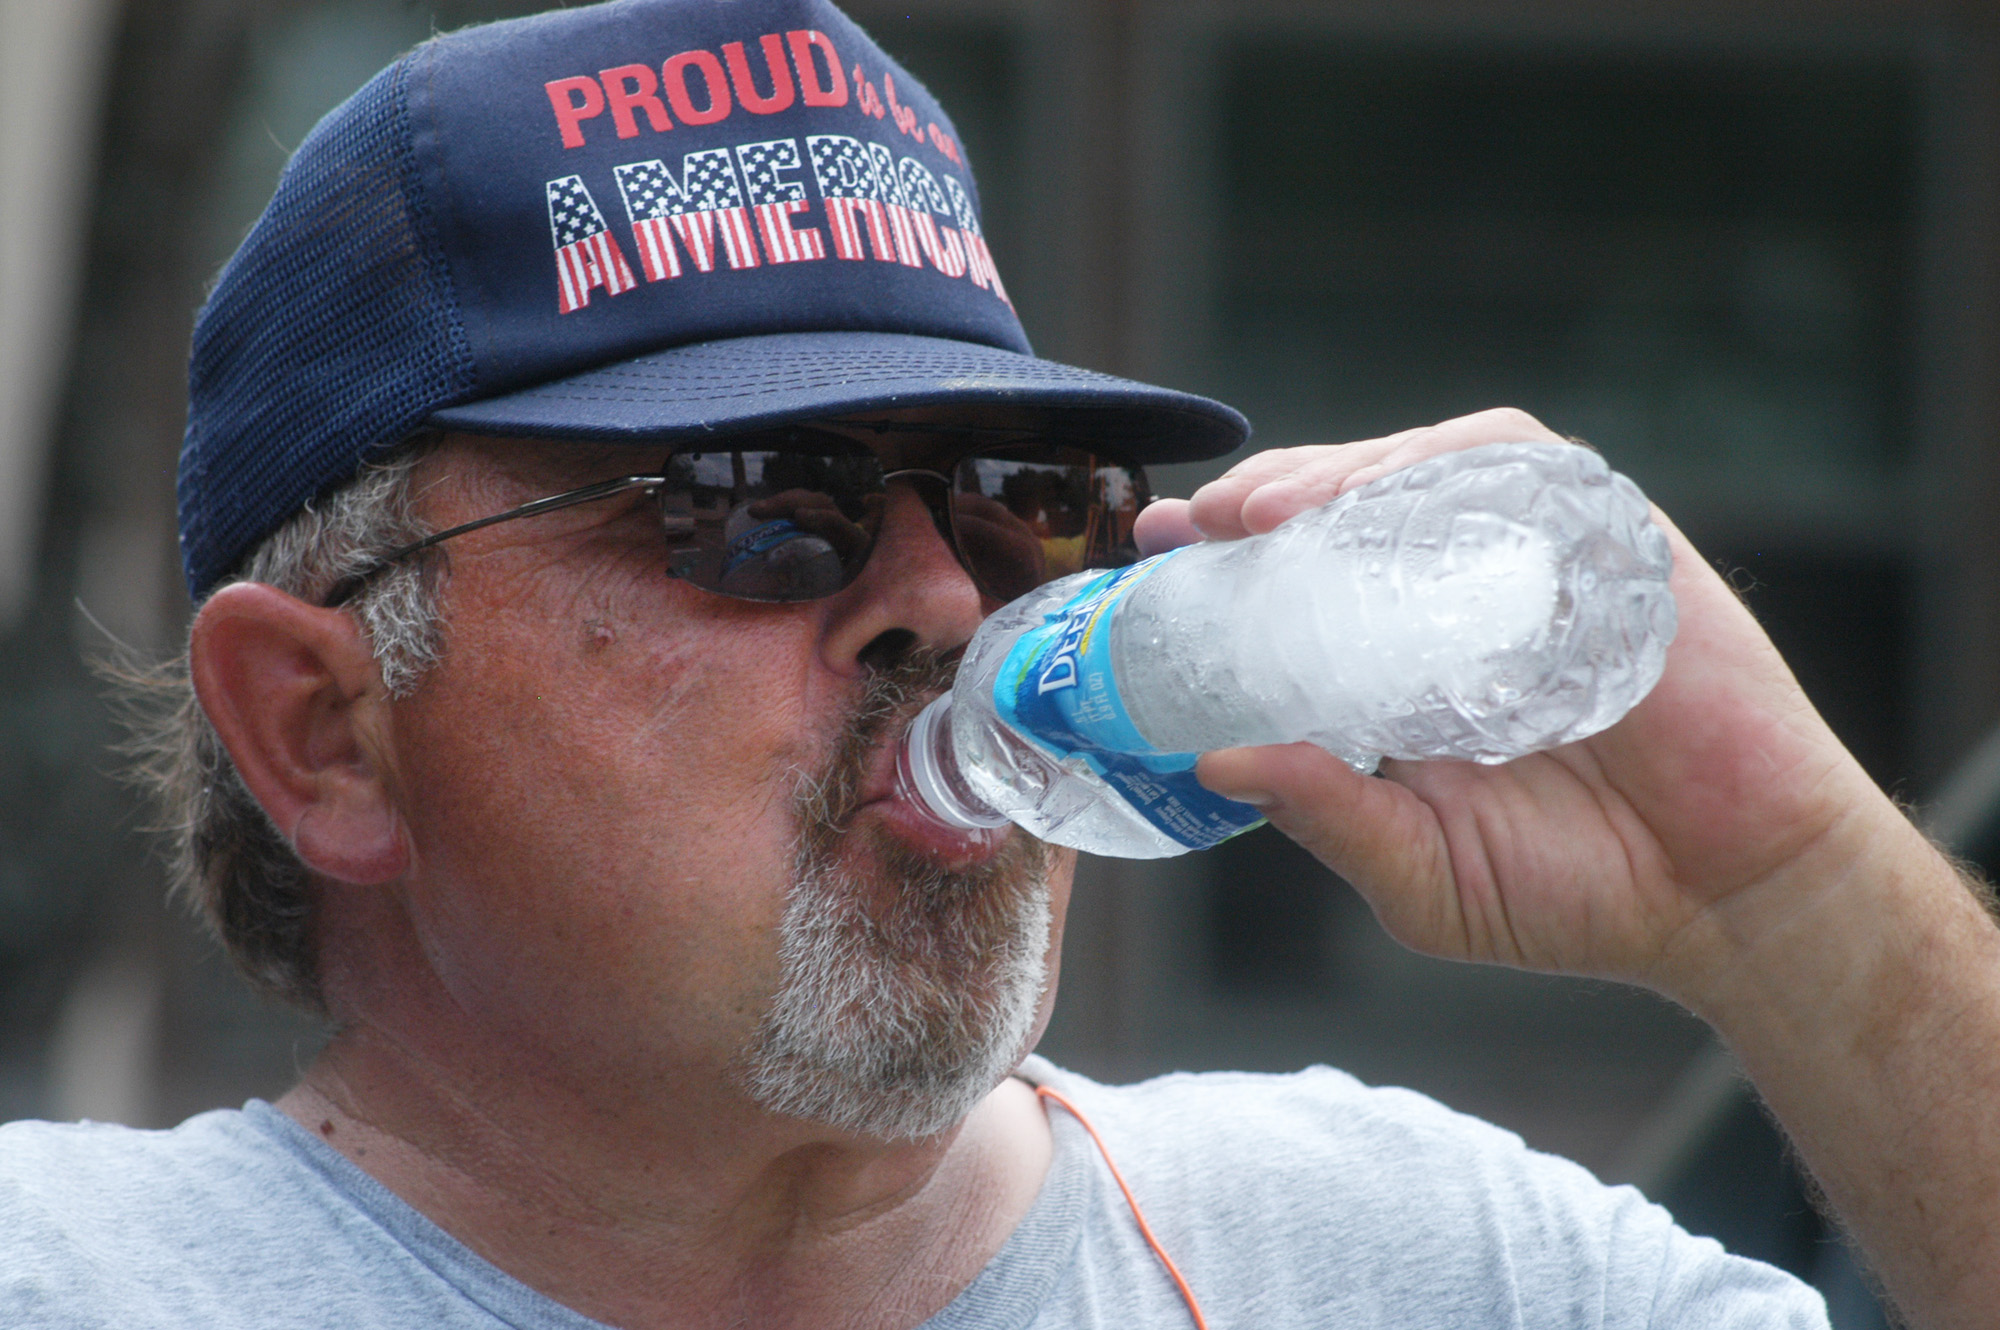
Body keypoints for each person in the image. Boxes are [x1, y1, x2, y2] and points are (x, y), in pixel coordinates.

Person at [4, 0, 1997, 1326]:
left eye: (1024, 492)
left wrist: (1790, 892)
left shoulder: (1418, 1256)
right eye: (751, 501)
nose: (948, 602)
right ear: (327, 731)